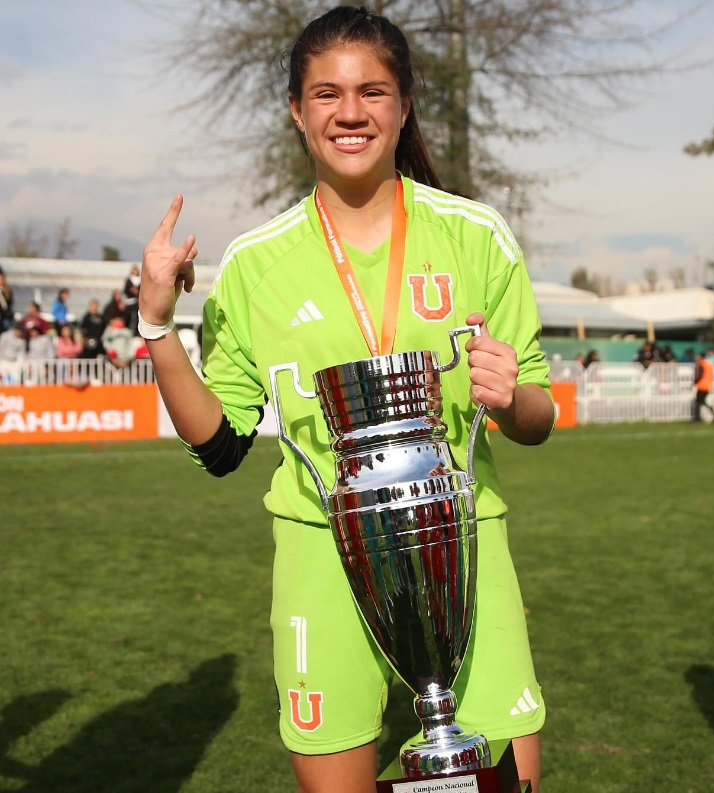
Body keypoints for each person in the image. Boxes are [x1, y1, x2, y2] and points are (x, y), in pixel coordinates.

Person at [139, 8, 554, 793]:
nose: (350, 112)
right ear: (297, 110)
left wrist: (510, 398)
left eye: (373, 90)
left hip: (464, 547)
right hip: (320, 556)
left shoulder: (475, 235)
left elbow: (536, 417)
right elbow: (219, 444)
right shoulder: (256, 263)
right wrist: (156, 323)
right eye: (325, 94)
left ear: (403, 104)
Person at [692, 351, 714, 423]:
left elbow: (699, 374)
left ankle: (697, 418)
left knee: (698, 402)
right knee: (701, 401)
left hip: (701, 385)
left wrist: (695, 382)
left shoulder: (701, 364)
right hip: (708, 385)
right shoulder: (709, 364)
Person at [123, 265, 141, 334]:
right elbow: (125, 290)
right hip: (130, 301)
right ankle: (126, 330)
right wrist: (131, 290)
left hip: (138, 301)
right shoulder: (129, 280)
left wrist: (138, 291)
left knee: (137, 317)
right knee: (128, 316)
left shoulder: (141, 279)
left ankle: (136, 332)